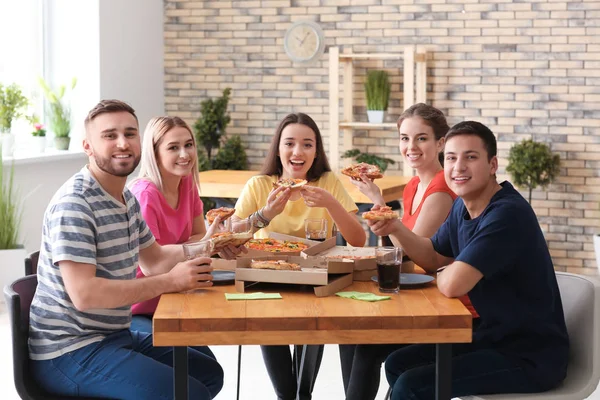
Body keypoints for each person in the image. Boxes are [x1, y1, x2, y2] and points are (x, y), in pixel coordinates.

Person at [28, 100, 224, 400]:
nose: (123, 143)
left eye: (130, 134)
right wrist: (172, 282)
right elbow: (85, 294)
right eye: (110, 135)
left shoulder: (125, 199)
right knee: (189, 394)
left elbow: (156, 260)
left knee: (208, 374)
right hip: (69, 350)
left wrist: (214, 243)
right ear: (88, 146)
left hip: (113, 335)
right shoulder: (76, 204)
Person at [367, 121, 569, 400]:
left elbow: (453, 286)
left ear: (493, 164)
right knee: (398, 363)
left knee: (411, 386)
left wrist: (452, 273)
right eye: (450, 158)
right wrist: (395, 227)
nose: (458, 167)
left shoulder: (507, 215)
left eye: (470, 157)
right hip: (491, 336)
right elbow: (432, 256)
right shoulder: (463, 205)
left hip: (529, 354)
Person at [233, 112, 366, 400]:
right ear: (278, 148)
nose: (297, 151)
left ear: (316, 151)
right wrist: (265, 215)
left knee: (323, 315)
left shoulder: (327, 182)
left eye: (307, 144)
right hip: (267, 281)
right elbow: (231, 237)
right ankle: (288, 395)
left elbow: (358, 240)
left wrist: (331, 203)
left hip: (316, 280)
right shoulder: (259, 185)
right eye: (289, 143)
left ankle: (301, 394)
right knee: (270, 325)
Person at [339, 103, 468, 400]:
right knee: (348, 334)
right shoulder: (413, 185)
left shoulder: (440, 190)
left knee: (362, 342)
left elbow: (412, 254)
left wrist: (384, 217)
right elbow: (398, 246)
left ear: (440, 143)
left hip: (433, 300)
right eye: (404, 138)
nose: (411, 146)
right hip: (412, 290)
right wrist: (376, 199)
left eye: (421, 138)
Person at [128, 115, 243, 356]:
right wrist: (206, 244)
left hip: (177, 296)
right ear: (154, 152)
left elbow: (198, 235)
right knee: (195, 373)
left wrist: (209, 242)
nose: (185, 154)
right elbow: (153, 265)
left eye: (188, 144)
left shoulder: (186, 183)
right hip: (140, 307)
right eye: (173, 147)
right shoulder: (145, 195)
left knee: (209, 371)